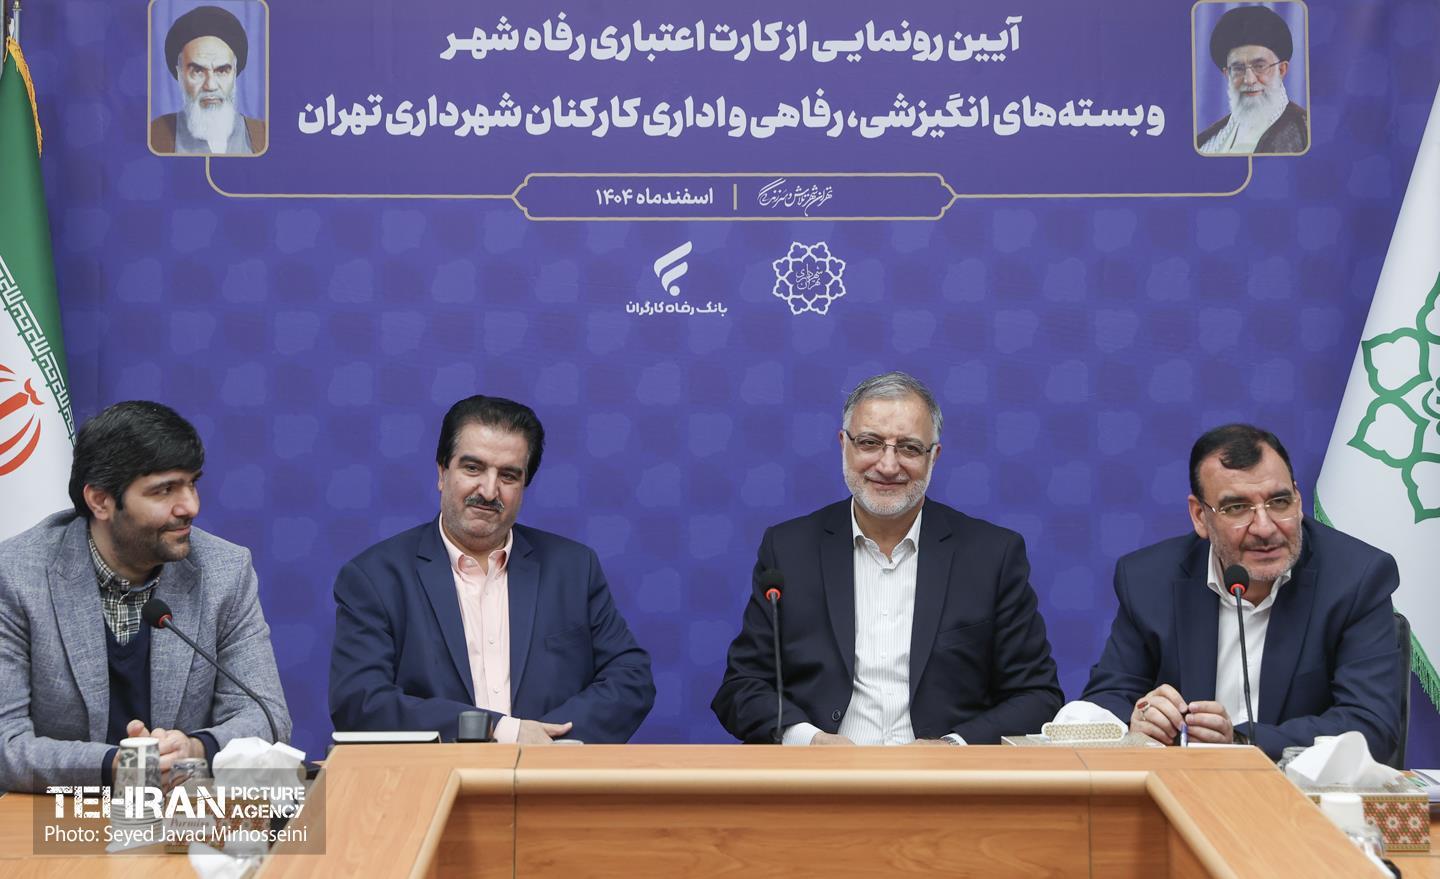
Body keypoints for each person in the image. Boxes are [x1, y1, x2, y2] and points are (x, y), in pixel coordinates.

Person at [712, 372, 1063, 745]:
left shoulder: (991, 555)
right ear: (843, 445)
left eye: (909, 448)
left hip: (946, 777)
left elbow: (1037, 696)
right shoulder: (788, 549)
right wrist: (809, 740)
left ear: (933, 457)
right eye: (870, 443)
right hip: (820, 774)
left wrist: (952, 749)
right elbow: (742, 687)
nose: (888, 465)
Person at [0, 401, 291, 793]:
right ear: (100, 501)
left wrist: (194, 749)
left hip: (183, 814)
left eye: (192, 483)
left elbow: (267, 717)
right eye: (164, 490)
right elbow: (6, 745)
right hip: (59, 816)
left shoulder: (225, 571)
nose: (190, 506)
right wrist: (118, 766)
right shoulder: (16, 576)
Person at [329, 395, 655, 744]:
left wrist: (547, 742)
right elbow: (361, 702)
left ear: (524, 486)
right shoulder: (376, 577)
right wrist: (503, 731)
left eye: (508, 476)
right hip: (433, 776)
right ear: (442, 473)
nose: (488, 490)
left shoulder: (573, 568)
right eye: (473, 468)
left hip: (551, 773)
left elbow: (630, 679)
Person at [1081, 424, 1401, 761]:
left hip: (1298, 789)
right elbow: (1106, 701)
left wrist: (1240, 739)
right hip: (1180, 784)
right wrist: (1139, 719)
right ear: (1200, 516)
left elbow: (1370, 726)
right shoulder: (1149, 579)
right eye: (1237, 508)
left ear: (1298, 499)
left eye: (1279, 502)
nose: (1265, 528)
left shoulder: (1355, 578)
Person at [150, 5, 267, 155]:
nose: (210, 85)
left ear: (234, 72)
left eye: (222, 71)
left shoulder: (263, 135)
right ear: (180, 74)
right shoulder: (155, 135)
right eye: (198, 71)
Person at [1196, 5, 1308, 154]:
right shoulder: (1208, 142)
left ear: (1281, 70)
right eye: (1238, 68)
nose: (1249, 80)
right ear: (1227, 74)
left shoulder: (1305, 131)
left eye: (1259, 66)